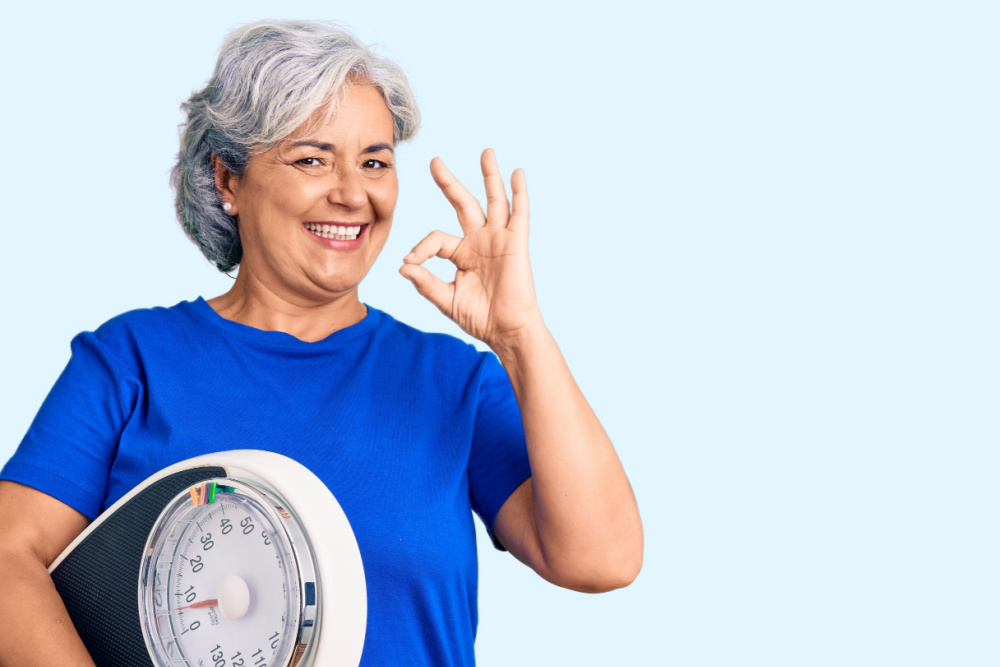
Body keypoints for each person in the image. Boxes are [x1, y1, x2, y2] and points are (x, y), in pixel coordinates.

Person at [0, 19, 642, 667]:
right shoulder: (131, 361)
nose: (352, 193)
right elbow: (7, 557)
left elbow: (601, 559)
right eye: (312, 158)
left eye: (375, 161)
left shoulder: (455, 381)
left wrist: (522, 335)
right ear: (228, 180)